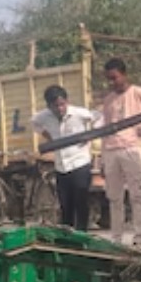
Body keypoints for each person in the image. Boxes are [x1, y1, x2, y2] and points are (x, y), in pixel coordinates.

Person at [100, 58, 141, 247]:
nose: (112, 82)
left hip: (131, 148)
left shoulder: (139, 93)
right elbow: (105, 129)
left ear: (124, 75)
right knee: (114, 197)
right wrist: (102, 158)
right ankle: (116, 238)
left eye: (114, 78)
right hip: (110, 150)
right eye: (109, 79)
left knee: (136, 194)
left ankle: (138, 237)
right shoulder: (108, 100)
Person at [31, 85, 98, 231]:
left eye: (62, 104)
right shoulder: (45, 116)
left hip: (80, 163)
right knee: (65, 205)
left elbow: (98, 118)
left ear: (67, 101)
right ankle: (68, 239)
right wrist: (49, 137)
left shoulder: (79, 113)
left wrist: (89, 135)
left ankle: (82, 236)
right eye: (56, 106)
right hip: (61, 166)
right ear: (49, 106)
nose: (60, 108)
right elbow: (34, 122)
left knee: (81, 201)